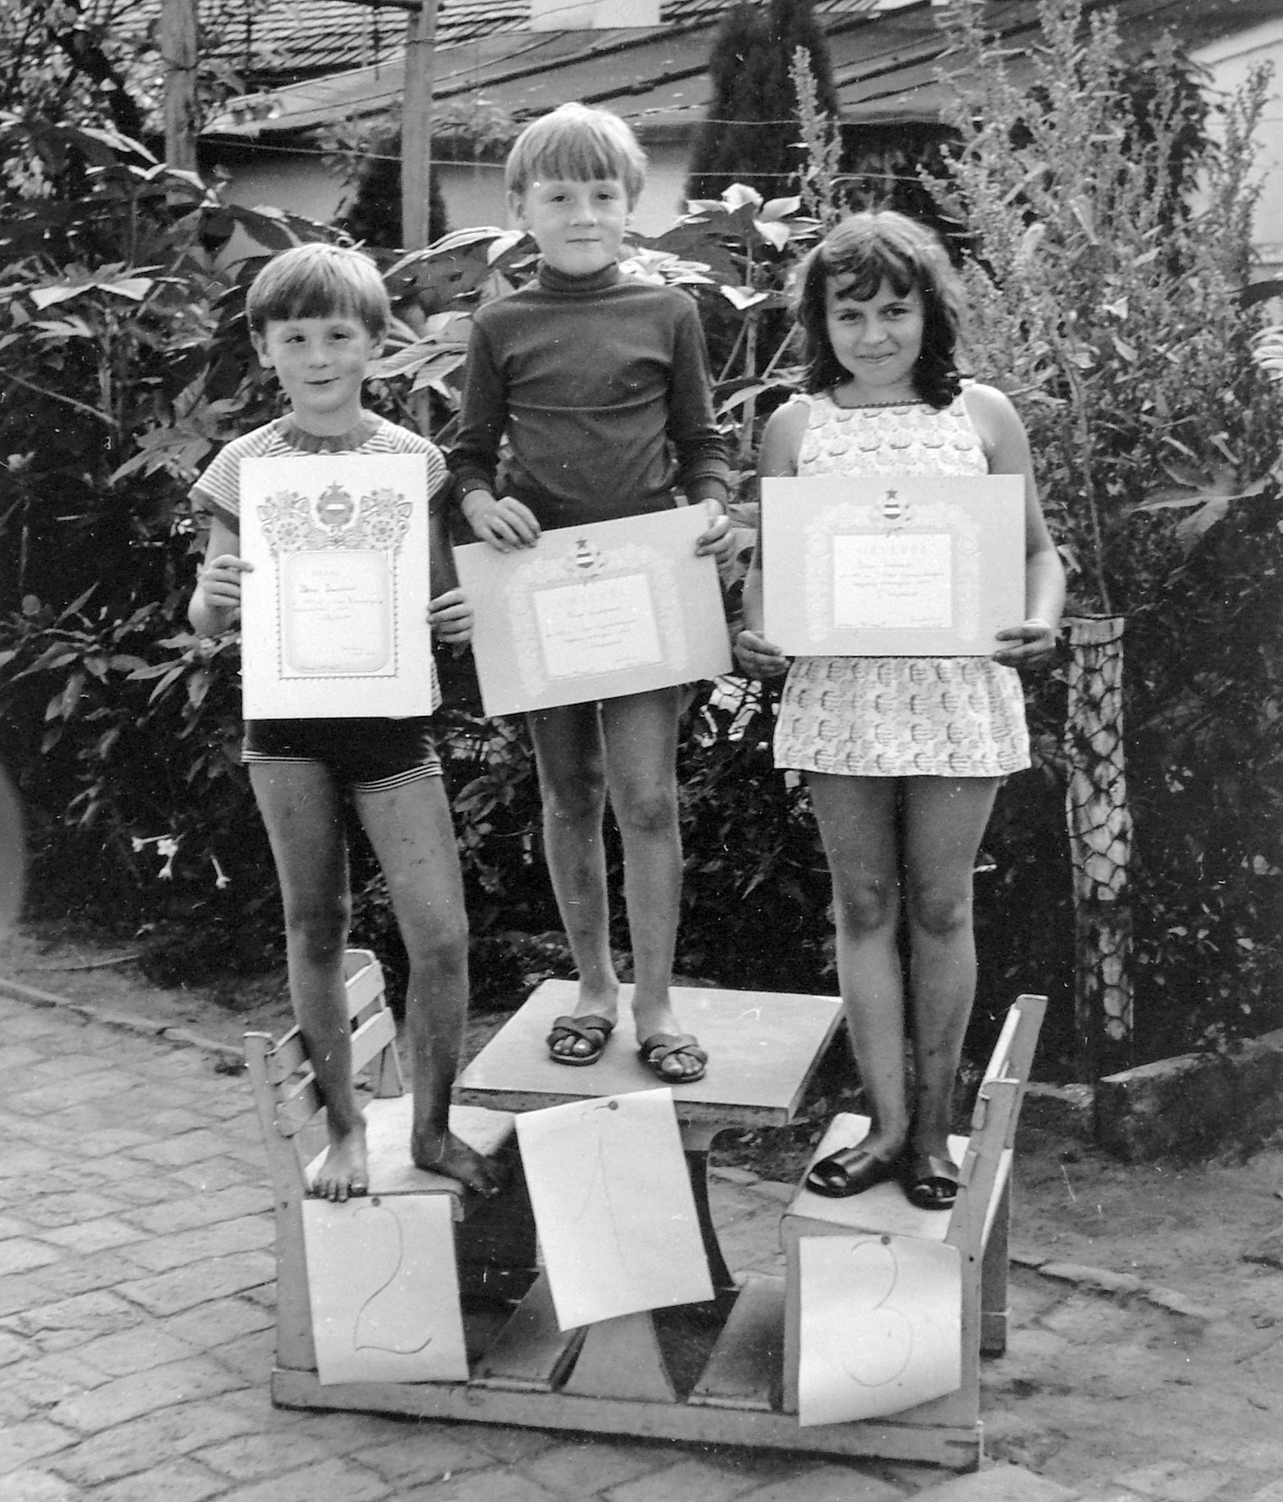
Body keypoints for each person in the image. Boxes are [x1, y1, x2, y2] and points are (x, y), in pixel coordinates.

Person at [736, 211, 1065, 1206]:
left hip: (957, 686)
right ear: (818, 320)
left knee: (938, 903)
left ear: (929, 310)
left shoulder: (982, 416)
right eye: (851, 313)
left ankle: (933, 1131)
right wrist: (755, 633)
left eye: (893, 309)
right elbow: (769, 572)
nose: (873, 334)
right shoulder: (795, 427)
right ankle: (881, 1123)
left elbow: (1035, 552)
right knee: (863, 905)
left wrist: (1041, 620)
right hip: (840, 691)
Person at [189, 242, 500, 1203]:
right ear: (265, 348)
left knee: (439, 935)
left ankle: (435, 1128)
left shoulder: (417, 462)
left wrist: (461, 614)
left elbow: (448, 604)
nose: (319, 356)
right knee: (313, 922)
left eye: (339, 334)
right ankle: (345, 1129)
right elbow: (207, 619)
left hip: (391, 725)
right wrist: (210, 596)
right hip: (286, 725)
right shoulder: (245, 466)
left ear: (375, 341)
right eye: (296, 338)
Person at [449, 103, 734, 1083]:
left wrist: (708, 509)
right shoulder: (500, 324)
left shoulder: (667, 313)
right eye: (558, 194)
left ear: (631, 205)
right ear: (519, 205)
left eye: (601, 193)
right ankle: (593, 987)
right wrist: (482, 504)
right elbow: (468, 456)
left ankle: (656, 1001)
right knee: (567, 794)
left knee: (647, 798)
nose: (581, 212)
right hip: (540, 596)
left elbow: (704, 448)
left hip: (644, 590)